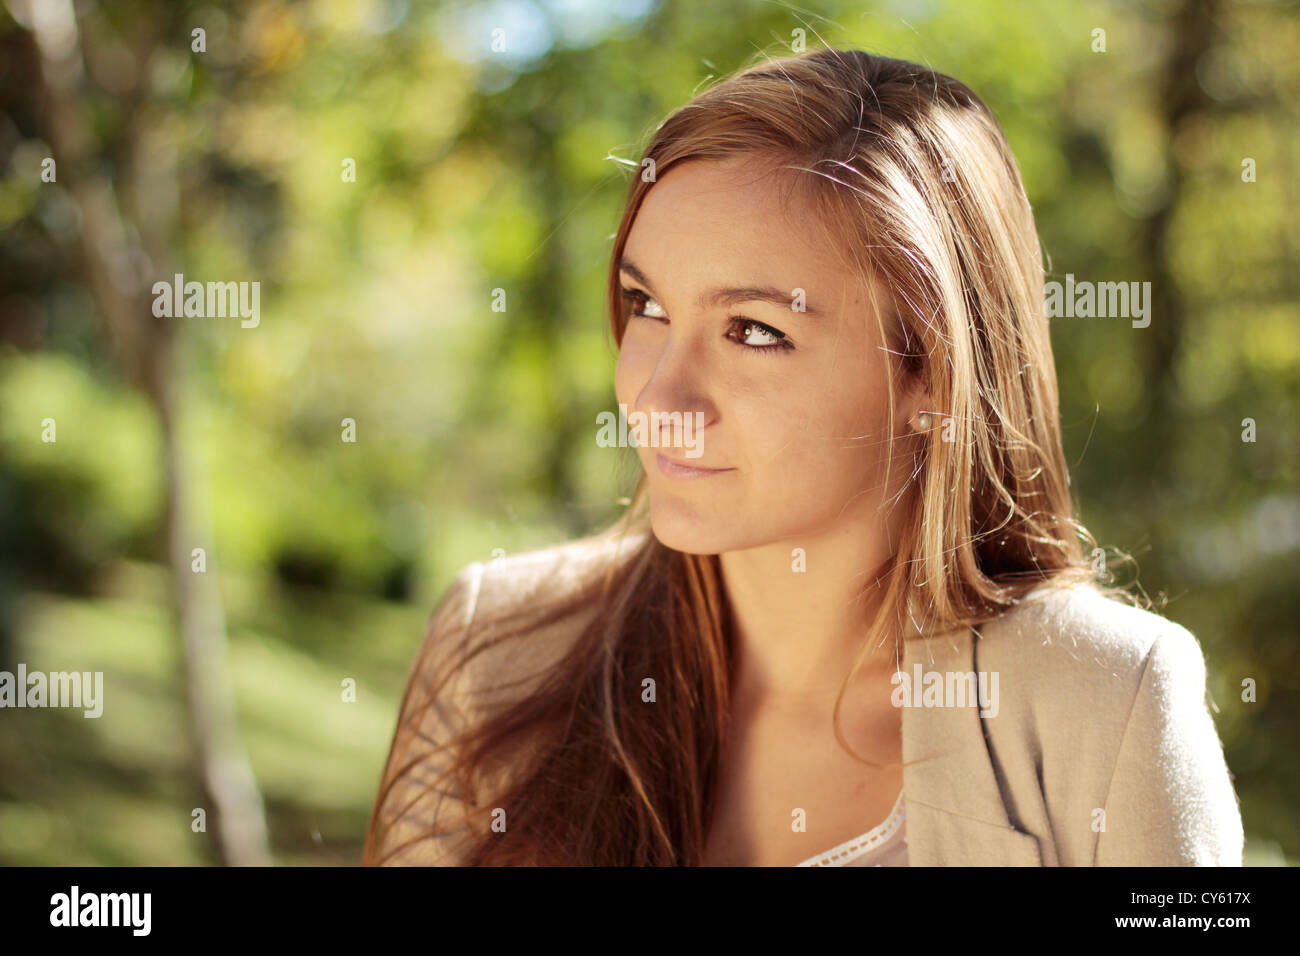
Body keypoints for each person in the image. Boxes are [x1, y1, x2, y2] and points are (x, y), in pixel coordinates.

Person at [364, 47, 1244, 866]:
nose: (660, 402)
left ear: (934, 372)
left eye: (753, 331)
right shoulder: (497, 646)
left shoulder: (1106, 700)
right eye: (648, 304)